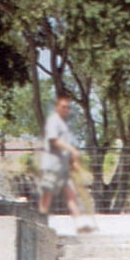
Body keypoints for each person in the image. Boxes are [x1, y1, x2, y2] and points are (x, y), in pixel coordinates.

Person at [39, 96, 89, 227]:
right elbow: (53, 140)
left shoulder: (64, 124)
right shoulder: (53, 121)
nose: (66, 109)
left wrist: (73, 162)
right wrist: (73, 150)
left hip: (63, 167)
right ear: (57, 107)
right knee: (47, 194)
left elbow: (66, 147)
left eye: (68, 107)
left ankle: (80, 224)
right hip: (52, 165)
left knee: (71, 194)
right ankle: (40, 221)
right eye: (63, 106)